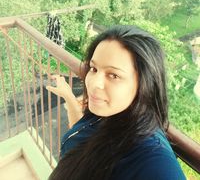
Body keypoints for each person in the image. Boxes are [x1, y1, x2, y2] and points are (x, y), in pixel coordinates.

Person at [47, 25, 186, 180]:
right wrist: (68, 96)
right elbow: (82, 133)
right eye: (94, 69)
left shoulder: (152, 159)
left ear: (145, 84)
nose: (94, 83)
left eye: (113, 75)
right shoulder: (104, 111)